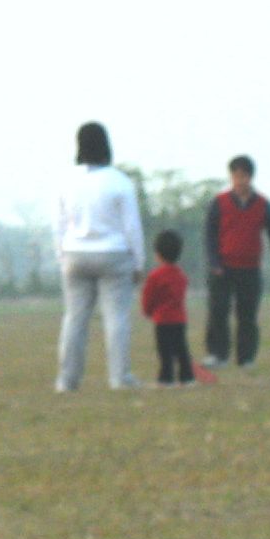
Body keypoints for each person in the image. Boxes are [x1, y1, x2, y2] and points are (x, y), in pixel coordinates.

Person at [53, 122, 146, 392]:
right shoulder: (119, 182)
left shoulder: (66, 181)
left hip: (74, 254)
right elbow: (132, 227)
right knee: (116, 318)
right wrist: (138, 262)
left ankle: (66, 381)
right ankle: (119, 378)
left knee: (74, 319)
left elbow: (58, 224)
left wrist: (61, 256)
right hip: (114, 254)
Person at [202, 155, 270, 369]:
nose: (240, 181)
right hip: (222, 268)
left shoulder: (263, 205)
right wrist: (213, 261)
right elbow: (209, 235)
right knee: (218, 312)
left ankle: (246, 358)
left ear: (251, 177)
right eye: (236, 176)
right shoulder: (219, 203)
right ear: (231, 177)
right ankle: (218, 355)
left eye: (244, 176)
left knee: (247, 316)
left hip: (250, 268)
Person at [141, 230, 195, 387]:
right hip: (179, 320)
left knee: (165, 352)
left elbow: (148, 297)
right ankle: (187, 377)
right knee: (181, 349)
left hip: (162, 321)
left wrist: (148, 311)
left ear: (157, 254)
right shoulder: (181, 275)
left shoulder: (155, 276)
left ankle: (166, 378)